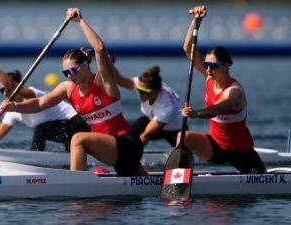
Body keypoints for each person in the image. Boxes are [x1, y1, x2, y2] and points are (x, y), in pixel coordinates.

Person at [0, 8, 147, 176]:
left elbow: (99, 48)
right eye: (65, 73)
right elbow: (40, 103)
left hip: (127, 143)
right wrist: (15, 107)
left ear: (85, 66)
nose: (69, 76)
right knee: (139, 183)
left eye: (72, 71)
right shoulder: (68, 89)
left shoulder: (103, 81)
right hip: (112, 149)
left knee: (78, 138)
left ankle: (75, 182)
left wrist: (80, 21)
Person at [180, 5, 266, 174]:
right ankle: (181, 178)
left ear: (226, 66)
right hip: (215, 146)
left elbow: (216, 109)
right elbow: (188, 48)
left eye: (213, 65)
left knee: (255, 190)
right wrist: (196, 21)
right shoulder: (209, 77)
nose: (208, 69)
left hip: (240, 151)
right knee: (183, 137)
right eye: (206, 64)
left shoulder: (235, 92)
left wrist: (194, 113)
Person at [0, 56, 90, 152]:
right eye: (1, 90)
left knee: (41, 129)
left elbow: (9, 85)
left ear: (18, 86)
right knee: (69, 155)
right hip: (64, 131)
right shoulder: (12, 110)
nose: (5, 93)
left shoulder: (32, 93)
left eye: (7, 89)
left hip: (78, 122)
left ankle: (34, 158)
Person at [113, 61, 182, 147]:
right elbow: (120, 80)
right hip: (152, 118)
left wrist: (131, 155)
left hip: (174, 130)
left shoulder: (167, 106)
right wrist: (108, 62)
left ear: (156, 90)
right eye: (139, 89)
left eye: (144, 92)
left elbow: (146, 135)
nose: (140, 93)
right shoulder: (142, 84)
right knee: (131, 133)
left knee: (184, 152)